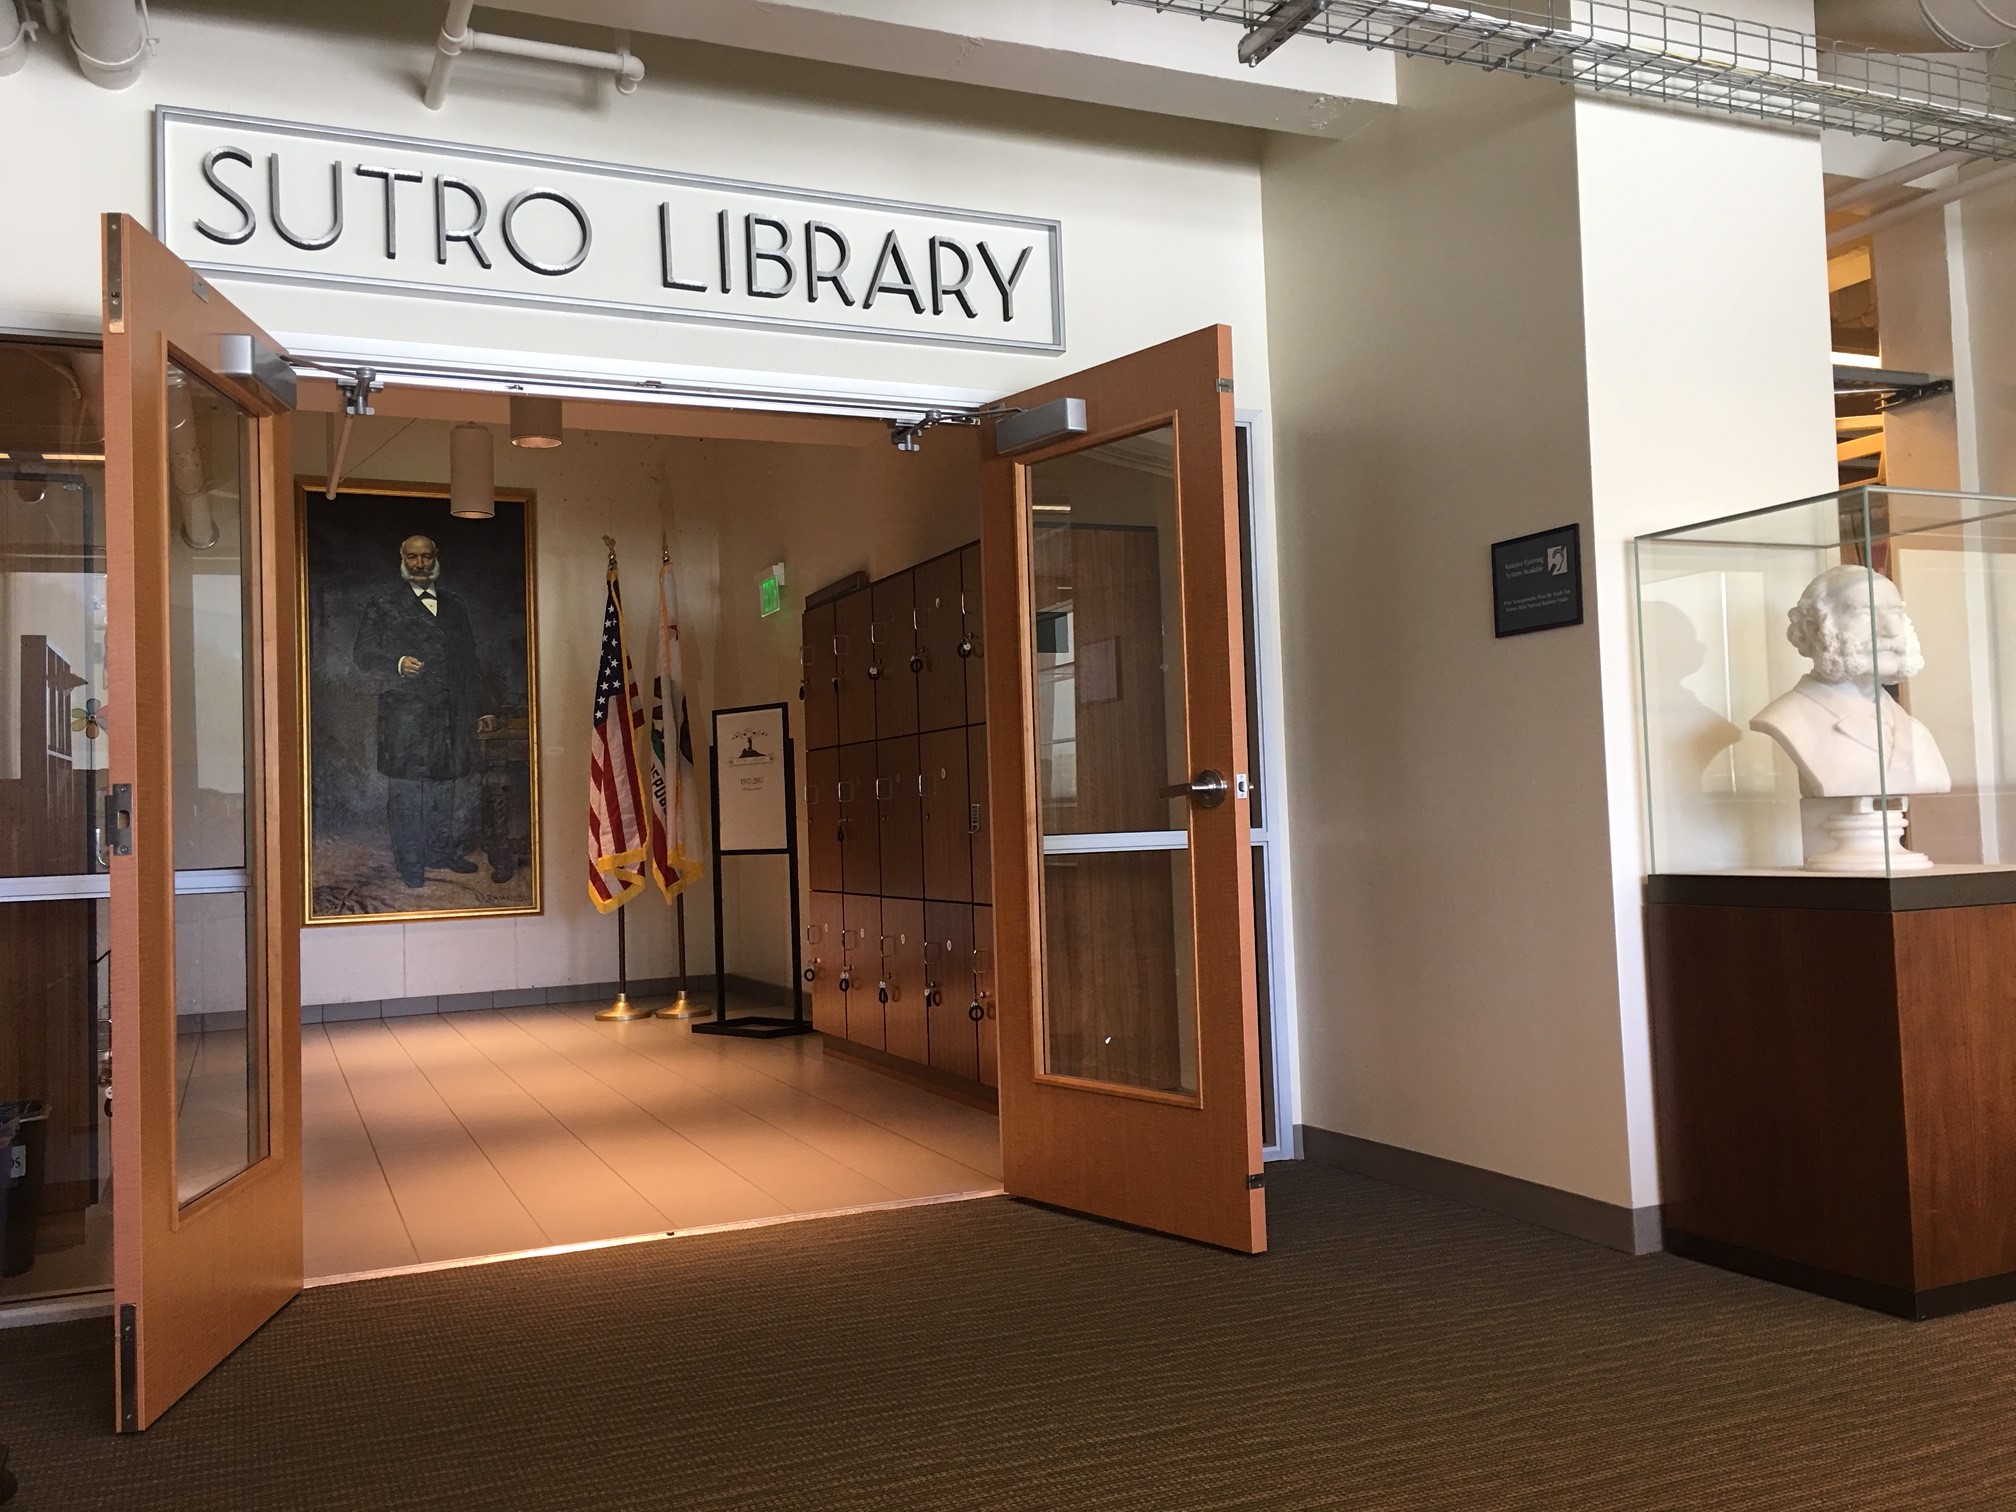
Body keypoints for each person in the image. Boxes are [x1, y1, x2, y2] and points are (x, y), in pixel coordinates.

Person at [351, 535, 498, 888]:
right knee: (406, 791)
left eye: (426, 557)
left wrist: (482, 708)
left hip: (449, 712)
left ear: (435, 559)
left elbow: (469, 660)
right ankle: (411, 863)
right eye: (413, 558)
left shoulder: (454, 604)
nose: (420, 565)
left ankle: (440, 852)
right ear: (402, 559)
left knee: (443, 786)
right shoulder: (383, 604)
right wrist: (398, 662)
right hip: (405, 716)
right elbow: (363, 654)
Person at [1749, 564, 1949, 799]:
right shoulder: (1787, 719)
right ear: (1813, 628)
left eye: (1896, 612)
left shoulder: (1917, 733)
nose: (1891, 630)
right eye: (1865, 612)